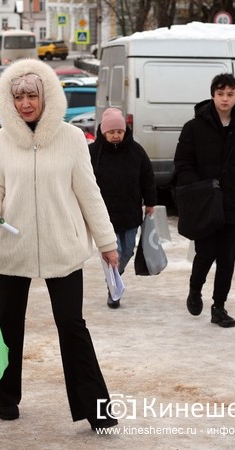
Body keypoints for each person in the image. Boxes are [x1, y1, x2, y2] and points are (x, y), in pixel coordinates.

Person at [0, 58, 119, 431]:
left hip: (63, 248)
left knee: (72, 325)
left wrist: (106, 242)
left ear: (47, 97)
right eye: (19, 96)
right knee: (8, 324)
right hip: (13, 246)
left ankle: (97, 409)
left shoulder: (72, 138)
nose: (25, 103)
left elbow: (89, 194)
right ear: (10, 100)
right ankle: (5, 397)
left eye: (32, 95)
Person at [173, 73, 235, 328]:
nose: (225, 99)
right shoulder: (194, 127)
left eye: (230, 94)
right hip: (206, 204)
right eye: (221, 94)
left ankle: (219, 307)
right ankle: (195, 289)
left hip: (233, 204)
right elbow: (182, 163)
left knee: (227, 259)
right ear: (213, 94)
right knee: (205, 254)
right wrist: (200, 188)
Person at [89, 107, 157, 308]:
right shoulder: (93, 153)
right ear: (103, 132)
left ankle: (115, 275)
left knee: (127, 250)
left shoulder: (136, 151)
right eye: (112, 132)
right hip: (105, 215)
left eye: (119, 131)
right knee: (113, 251)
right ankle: (113, 288)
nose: (116, 136)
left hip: (130, 212)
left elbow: (148, 177)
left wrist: (150, 202)